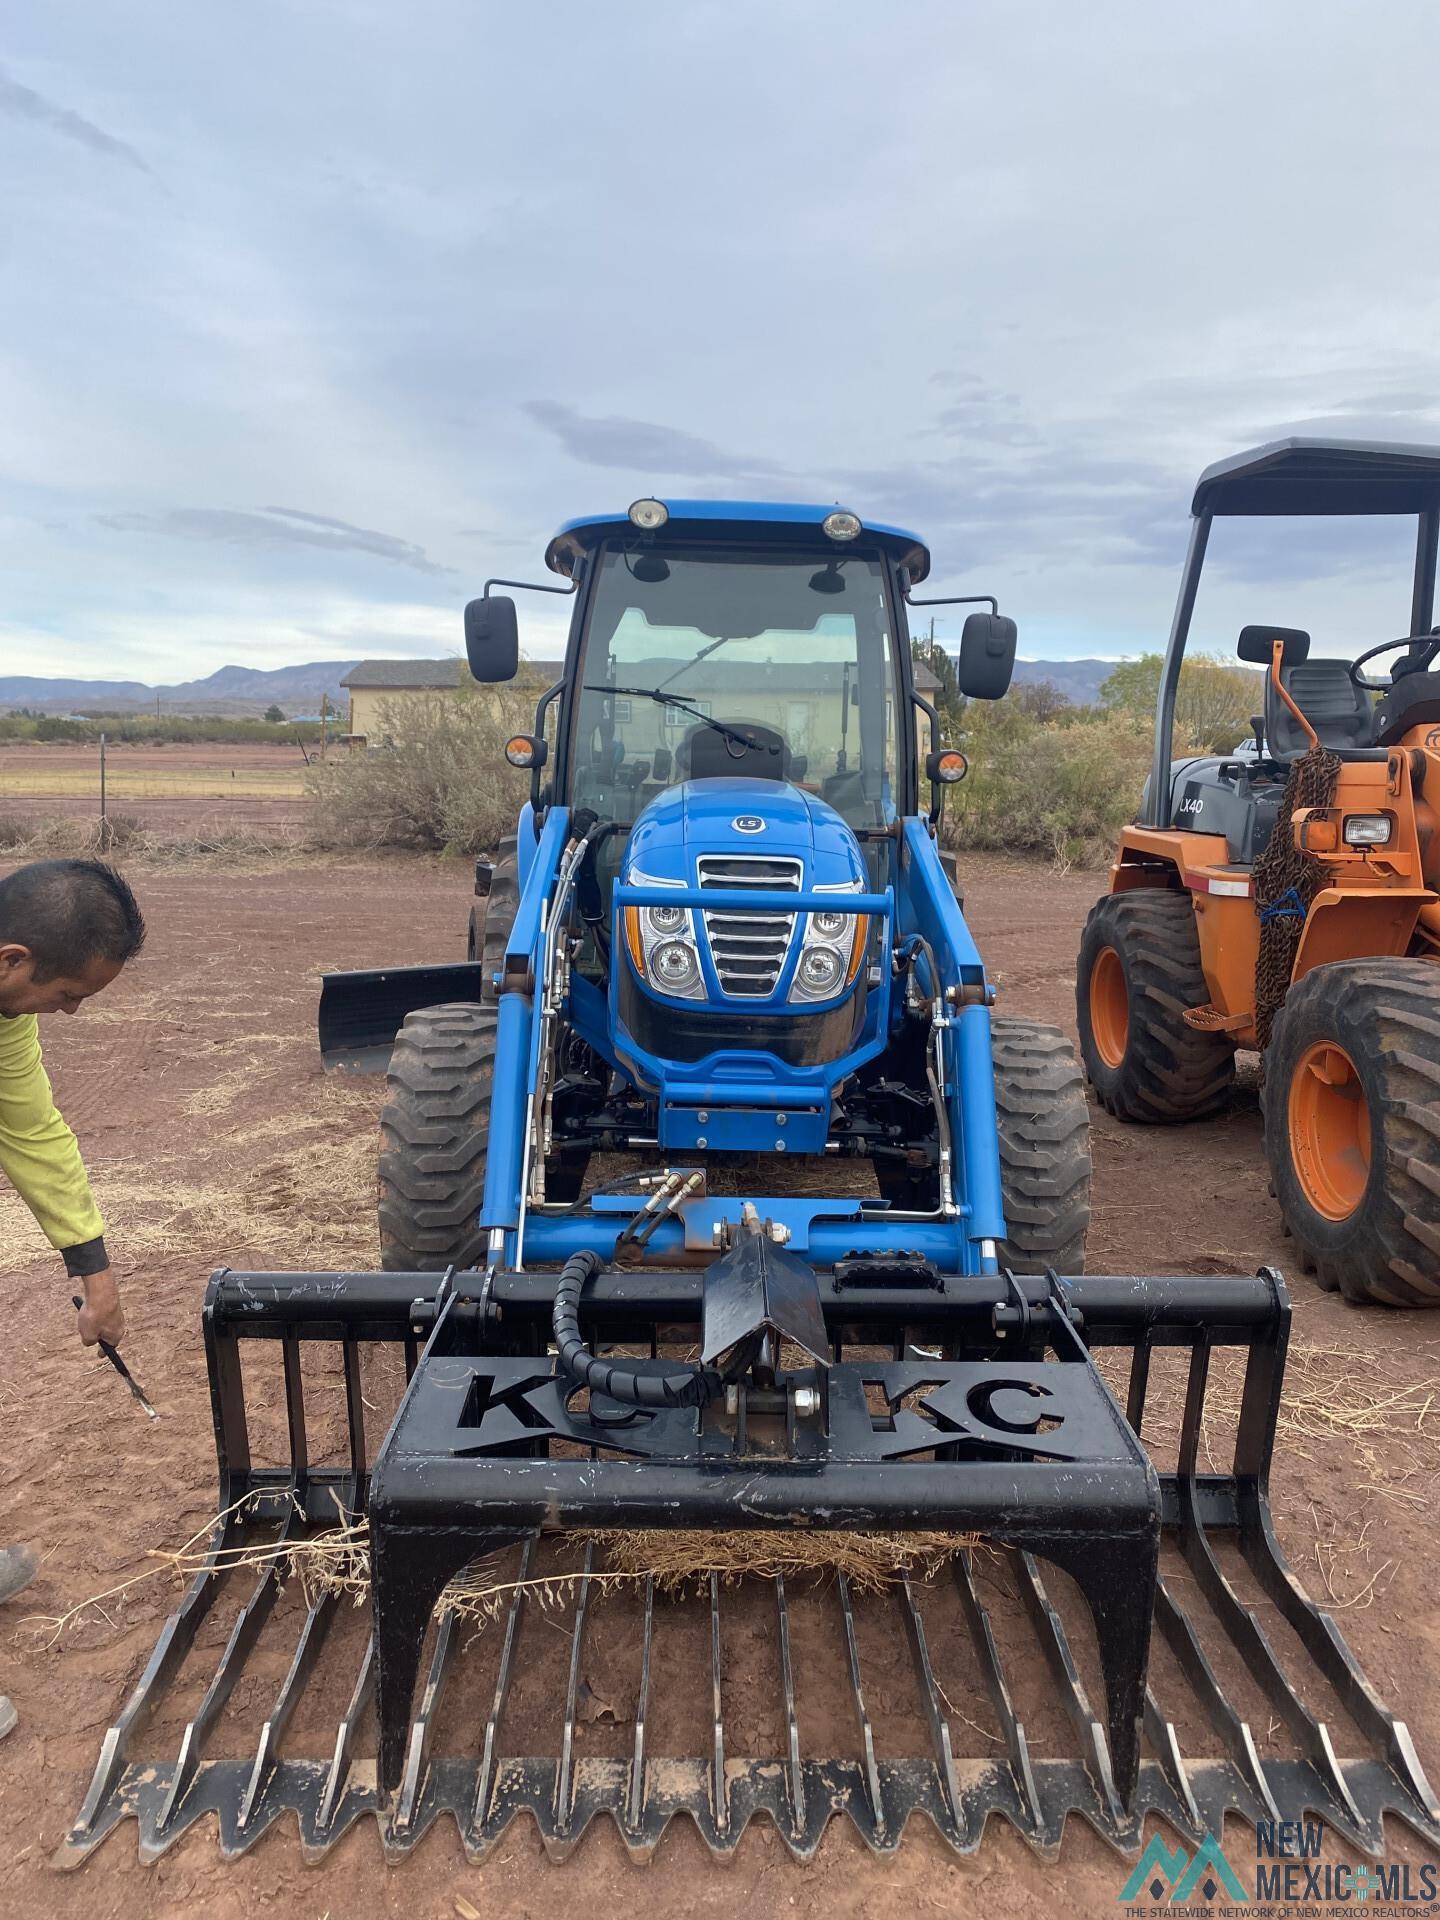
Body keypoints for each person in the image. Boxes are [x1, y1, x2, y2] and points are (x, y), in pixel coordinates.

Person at [0, 858, 146, 1740]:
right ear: (12, 960)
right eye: (68, 995)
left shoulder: (3, 1012)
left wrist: (94, 1268)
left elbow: (30, 1127)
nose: (73, 1012)